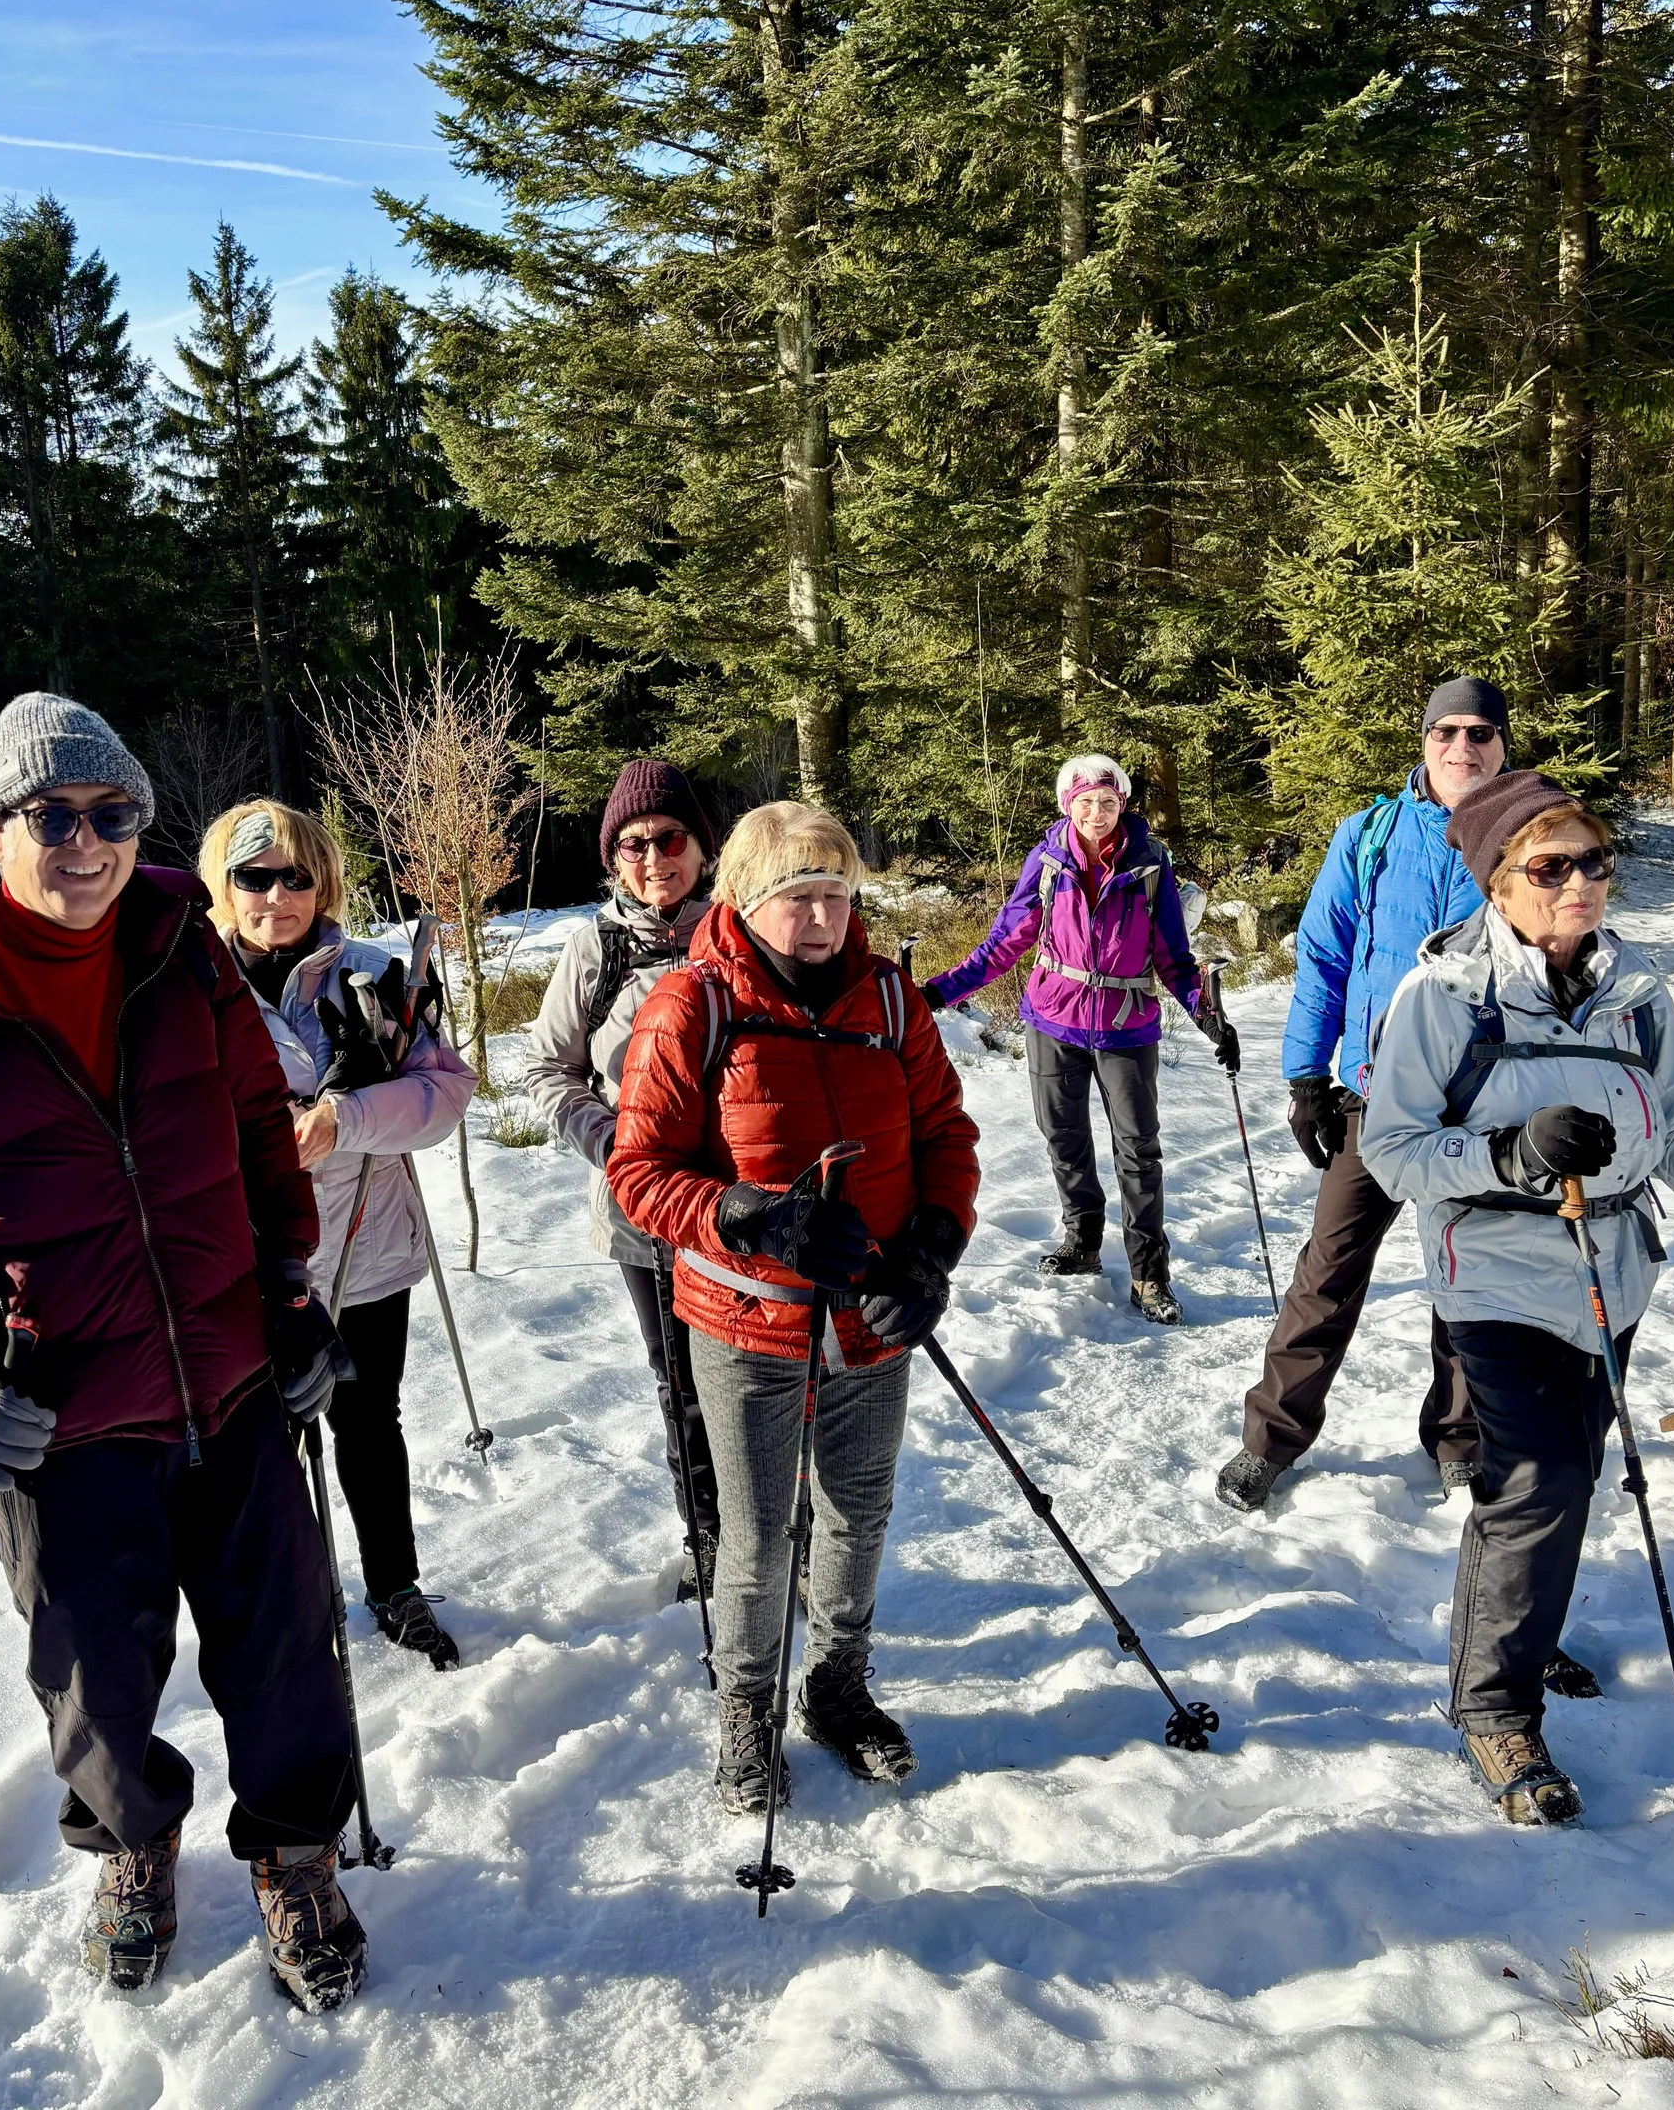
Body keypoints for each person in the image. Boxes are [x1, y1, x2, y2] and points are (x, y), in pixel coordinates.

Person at [0, 694, 368, 2011]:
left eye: (116, 813)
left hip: (230, 1374)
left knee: (287, 1650)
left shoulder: (178, 939)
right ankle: (134, 1846)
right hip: (56, 1416)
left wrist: (287, 1286)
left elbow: (251, 1127)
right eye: (55, 813)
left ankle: (294, 1850)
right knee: (96, 1688)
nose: (90, 841)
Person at [609, 801, 981, 1813]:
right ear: (743, 898)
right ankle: (745, 1709)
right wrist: (744, 1215)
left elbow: (948, 1136)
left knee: (858, 1515)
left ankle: (838, 1687)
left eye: (834, 895)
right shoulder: (691, 1005)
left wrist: (934, 1249)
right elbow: (635, 1173)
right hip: (743, 1322)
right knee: (760, 1534)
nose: (820, 918)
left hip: (871, 1317)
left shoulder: (891, 1002)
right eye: (796, 898)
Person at [1360, 771, 1674, 1824]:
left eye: (1596, 861)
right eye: (1551, 867)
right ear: (1499, 883)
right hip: (1499, 1277)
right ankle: (1492, 1707)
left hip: (1615, 1272)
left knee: (1569, 1477)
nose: (1581, 884)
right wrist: (1510, 1150)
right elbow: (1393, 1150)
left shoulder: (1635, 993)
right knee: (1539, 1481)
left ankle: (1524, 1627)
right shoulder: (1443, 998)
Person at [1215, 679, 1505, 1512]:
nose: (1462, 747)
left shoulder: (1529, 835)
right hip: (1377, 1100)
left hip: (1486, 1103)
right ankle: (1270, 1439)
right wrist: (1308, 1076)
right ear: (1423, 740)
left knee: (1468, 1275)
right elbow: (1325, 959)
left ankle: (1460, 1437)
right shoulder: (1370, 834)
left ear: (1502, 744)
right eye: (1446, 730)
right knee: (1329, 1268)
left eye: (1480, 732)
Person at [200, 798, 477, 1666]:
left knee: (369, 1419)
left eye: (295, 875)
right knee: (269, 1438)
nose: (275, 895)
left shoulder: (375, 971)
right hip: (251, 1257)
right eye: (254, 875)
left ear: (323, 882)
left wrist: (346, 1116)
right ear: (223, 883)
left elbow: (445, 1095)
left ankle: (394, 1584)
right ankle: (290, 1595)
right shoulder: (189, 983)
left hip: (367, 1242)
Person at [921, 753, 1234, 1325]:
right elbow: (1005, 942)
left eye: (1108, 802)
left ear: (1123, 805)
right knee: (1063, 1137)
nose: (1097, 813)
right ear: (1068, 805)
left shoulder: (1148, 865)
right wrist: (938, 993)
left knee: (1139, 1150)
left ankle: (1148, 1272)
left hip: (1127, 1025)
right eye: (1085, 802)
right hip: (1052, 1019)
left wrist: (1207, 1015)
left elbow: (1173, 955)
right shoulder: (1047, 862)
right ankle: (1083, 1241)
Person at [522, 760, 720, 1600]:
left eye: (670, 838)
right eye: (633, 844)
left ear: (703, 848)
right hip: (643, 1209)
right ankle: (708, 1534)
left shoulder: (742, 932)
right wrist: (614, 1145)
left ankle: (789, 1530)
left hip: (747, 1204)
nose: (654, 858)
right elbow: (544, 1067)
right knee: (679, 1378)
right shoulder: (593, 946)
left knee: (770, 1379)